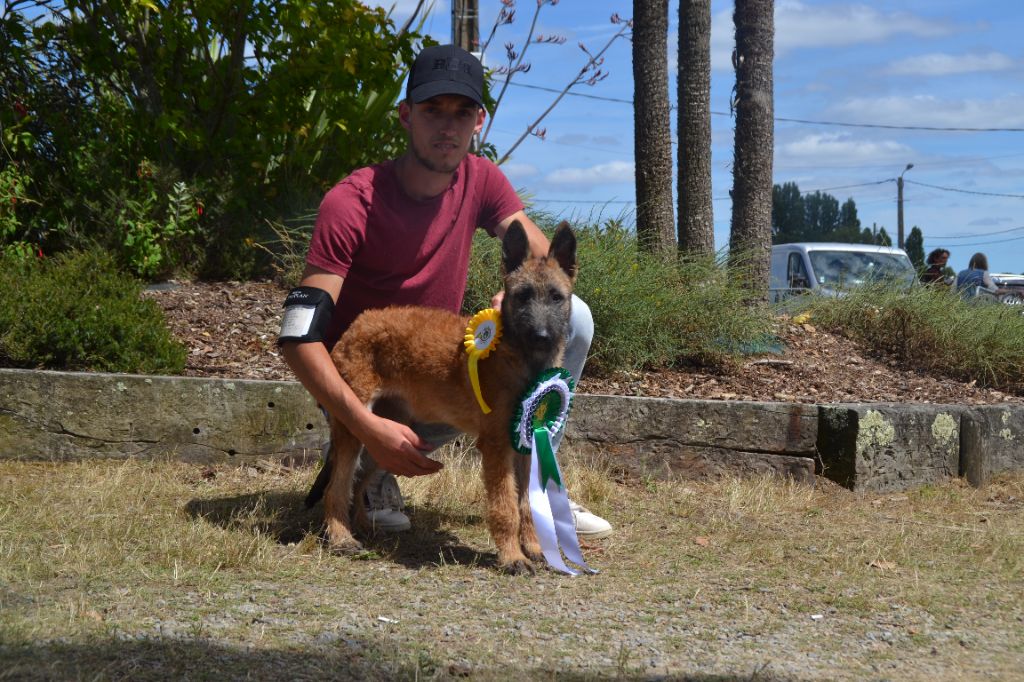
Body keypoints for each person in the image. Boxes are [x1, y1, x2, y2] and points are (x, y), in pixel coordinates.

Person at [278, 44, 612, 539]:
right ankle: (369, 466)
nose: (448, 127)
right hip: (365, 379)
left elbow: (545, 263)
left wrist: (511, 297)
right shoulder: (351, 201)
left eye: (462, 113)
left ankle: (537, 484)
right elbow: (297, 338)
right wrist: (367, 426)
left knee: (572, 314)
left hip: (446, 374)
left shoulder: (482, 178)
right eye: (433, 110)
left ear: (479, 121)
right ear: (405, 115)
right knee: (366, 419)